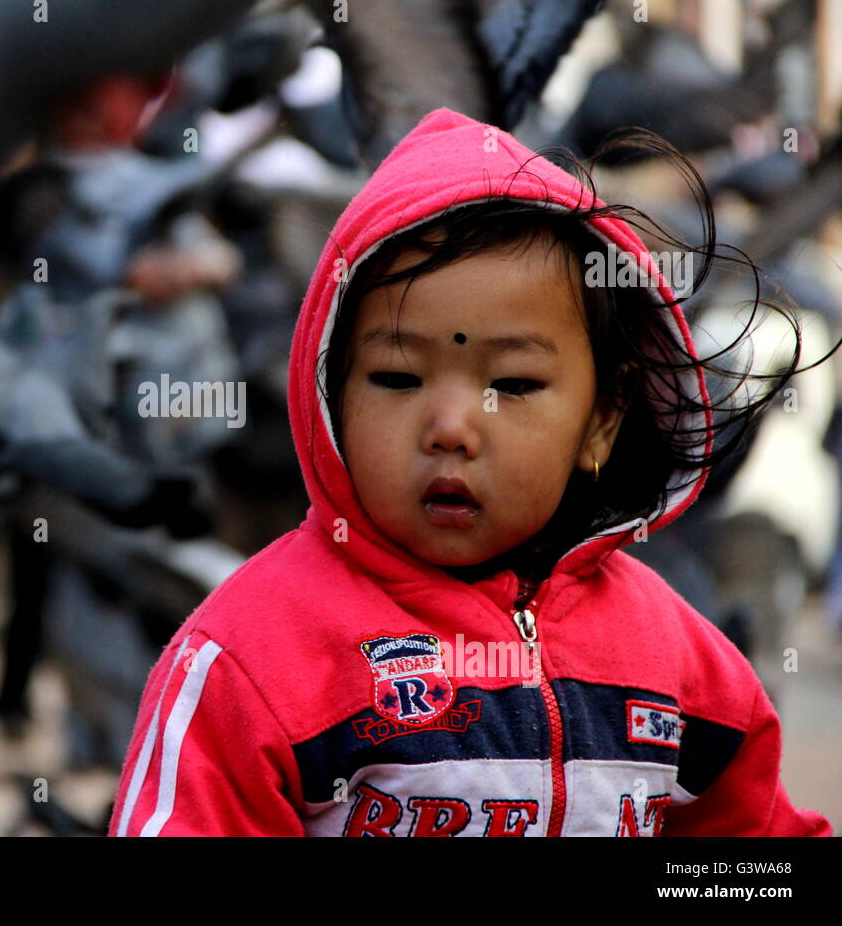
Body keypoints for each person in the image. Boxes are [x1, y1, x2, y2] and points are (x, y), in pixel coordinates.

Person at [108, 107, 835, 836]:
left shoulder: (680, 663)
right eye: (396, 378)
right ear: (330, 393)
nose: (451, 428)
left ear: (602, 422)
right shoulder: (249, 660)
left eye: (514, 386)